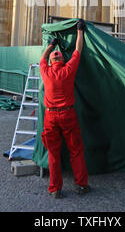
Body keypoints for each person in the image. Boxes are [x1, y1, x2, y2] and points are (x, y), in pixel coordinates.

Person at [39, 19, 90, 199]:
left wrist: (51, 44)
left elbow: (43, 58)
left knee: (53, 153)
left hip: (50, 116)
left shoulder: (45, 70)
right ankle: (82, 185)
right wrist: (80, 31)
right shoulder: (69, 69)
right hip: (68, 114)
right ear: (62, 59)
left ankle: (55, 188)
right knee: (75, 150)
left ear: (52, 61)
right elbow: (78, 50)